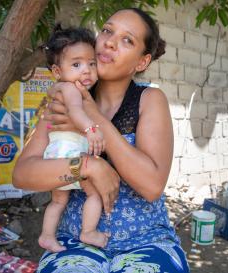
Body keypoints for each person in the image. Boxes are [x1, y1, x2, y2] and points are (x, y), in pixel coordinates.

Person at [13, 7, 190, 273]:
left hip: (145, 240)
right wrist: (87, 166)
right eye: (107, 30)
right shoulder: (65, 99)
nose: (109, 41)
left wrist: (94, 116)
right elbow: (23, 175)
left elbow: (152, 186)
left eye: (127, 40)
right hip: (75, 239)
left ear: (141, 62)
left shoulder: (149, 100)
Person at [38, 25, 109, 252]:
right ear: (58, 71)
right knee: (94, 194)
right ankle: (88, 232)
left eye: (91, 63)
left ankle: (47, 236)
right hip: (70, 153)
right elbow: (77, 113)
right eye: (76, 64)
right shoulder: (70, 90)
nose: (86, 70)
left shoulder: (58, 88)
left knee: (58, 200)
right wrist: (91, 129)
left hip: (57, 153)